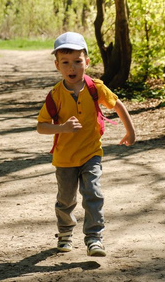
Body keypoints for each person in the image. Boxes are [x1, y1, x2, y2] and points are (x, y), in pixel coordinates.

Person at [36, 32, 136, 257]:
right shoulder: (55, 96)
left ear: (87, 62)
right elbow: (41, 126)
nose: (72, 68)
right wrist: (62, 128)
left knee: (93, 193)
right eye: (65, 63)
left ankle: (94, 238)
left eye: (77, 62)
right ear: (57, 66)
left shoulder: (96, 88)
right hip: (64, 158)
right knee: (66, 199)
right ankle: (65, 233)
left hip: (91, 153)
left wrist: (130, 131)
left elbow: (117, 105)